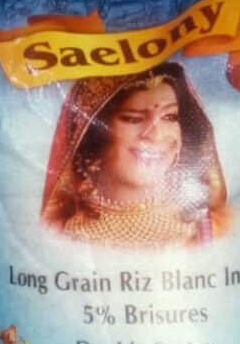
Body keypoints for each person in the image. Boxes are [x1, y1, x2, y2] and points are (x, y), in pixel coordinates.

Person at [41, 62, 230, 248]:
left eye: (170, 117)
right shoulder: (62, 230)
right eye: (133, 119)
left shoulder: (204, 226)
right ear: (95, 134)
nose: (156, 135)